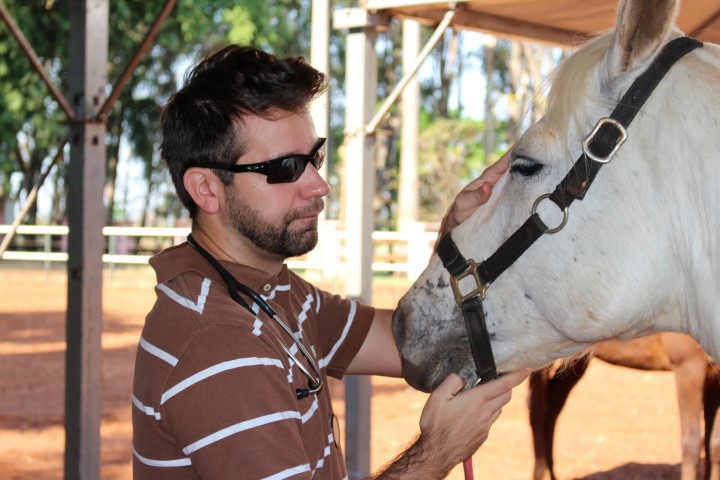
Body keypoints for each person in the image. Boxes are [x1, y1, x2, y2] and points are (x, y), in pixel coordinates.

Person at [131, 44, 527, 480]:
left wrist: (457, 237)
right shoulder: (219, 344)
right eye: (285, 167)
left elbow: (412, 343)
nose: (319, 185)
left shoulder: (272, 292)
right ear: (207, 189)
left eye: (313, 158)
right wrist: (437, 452)